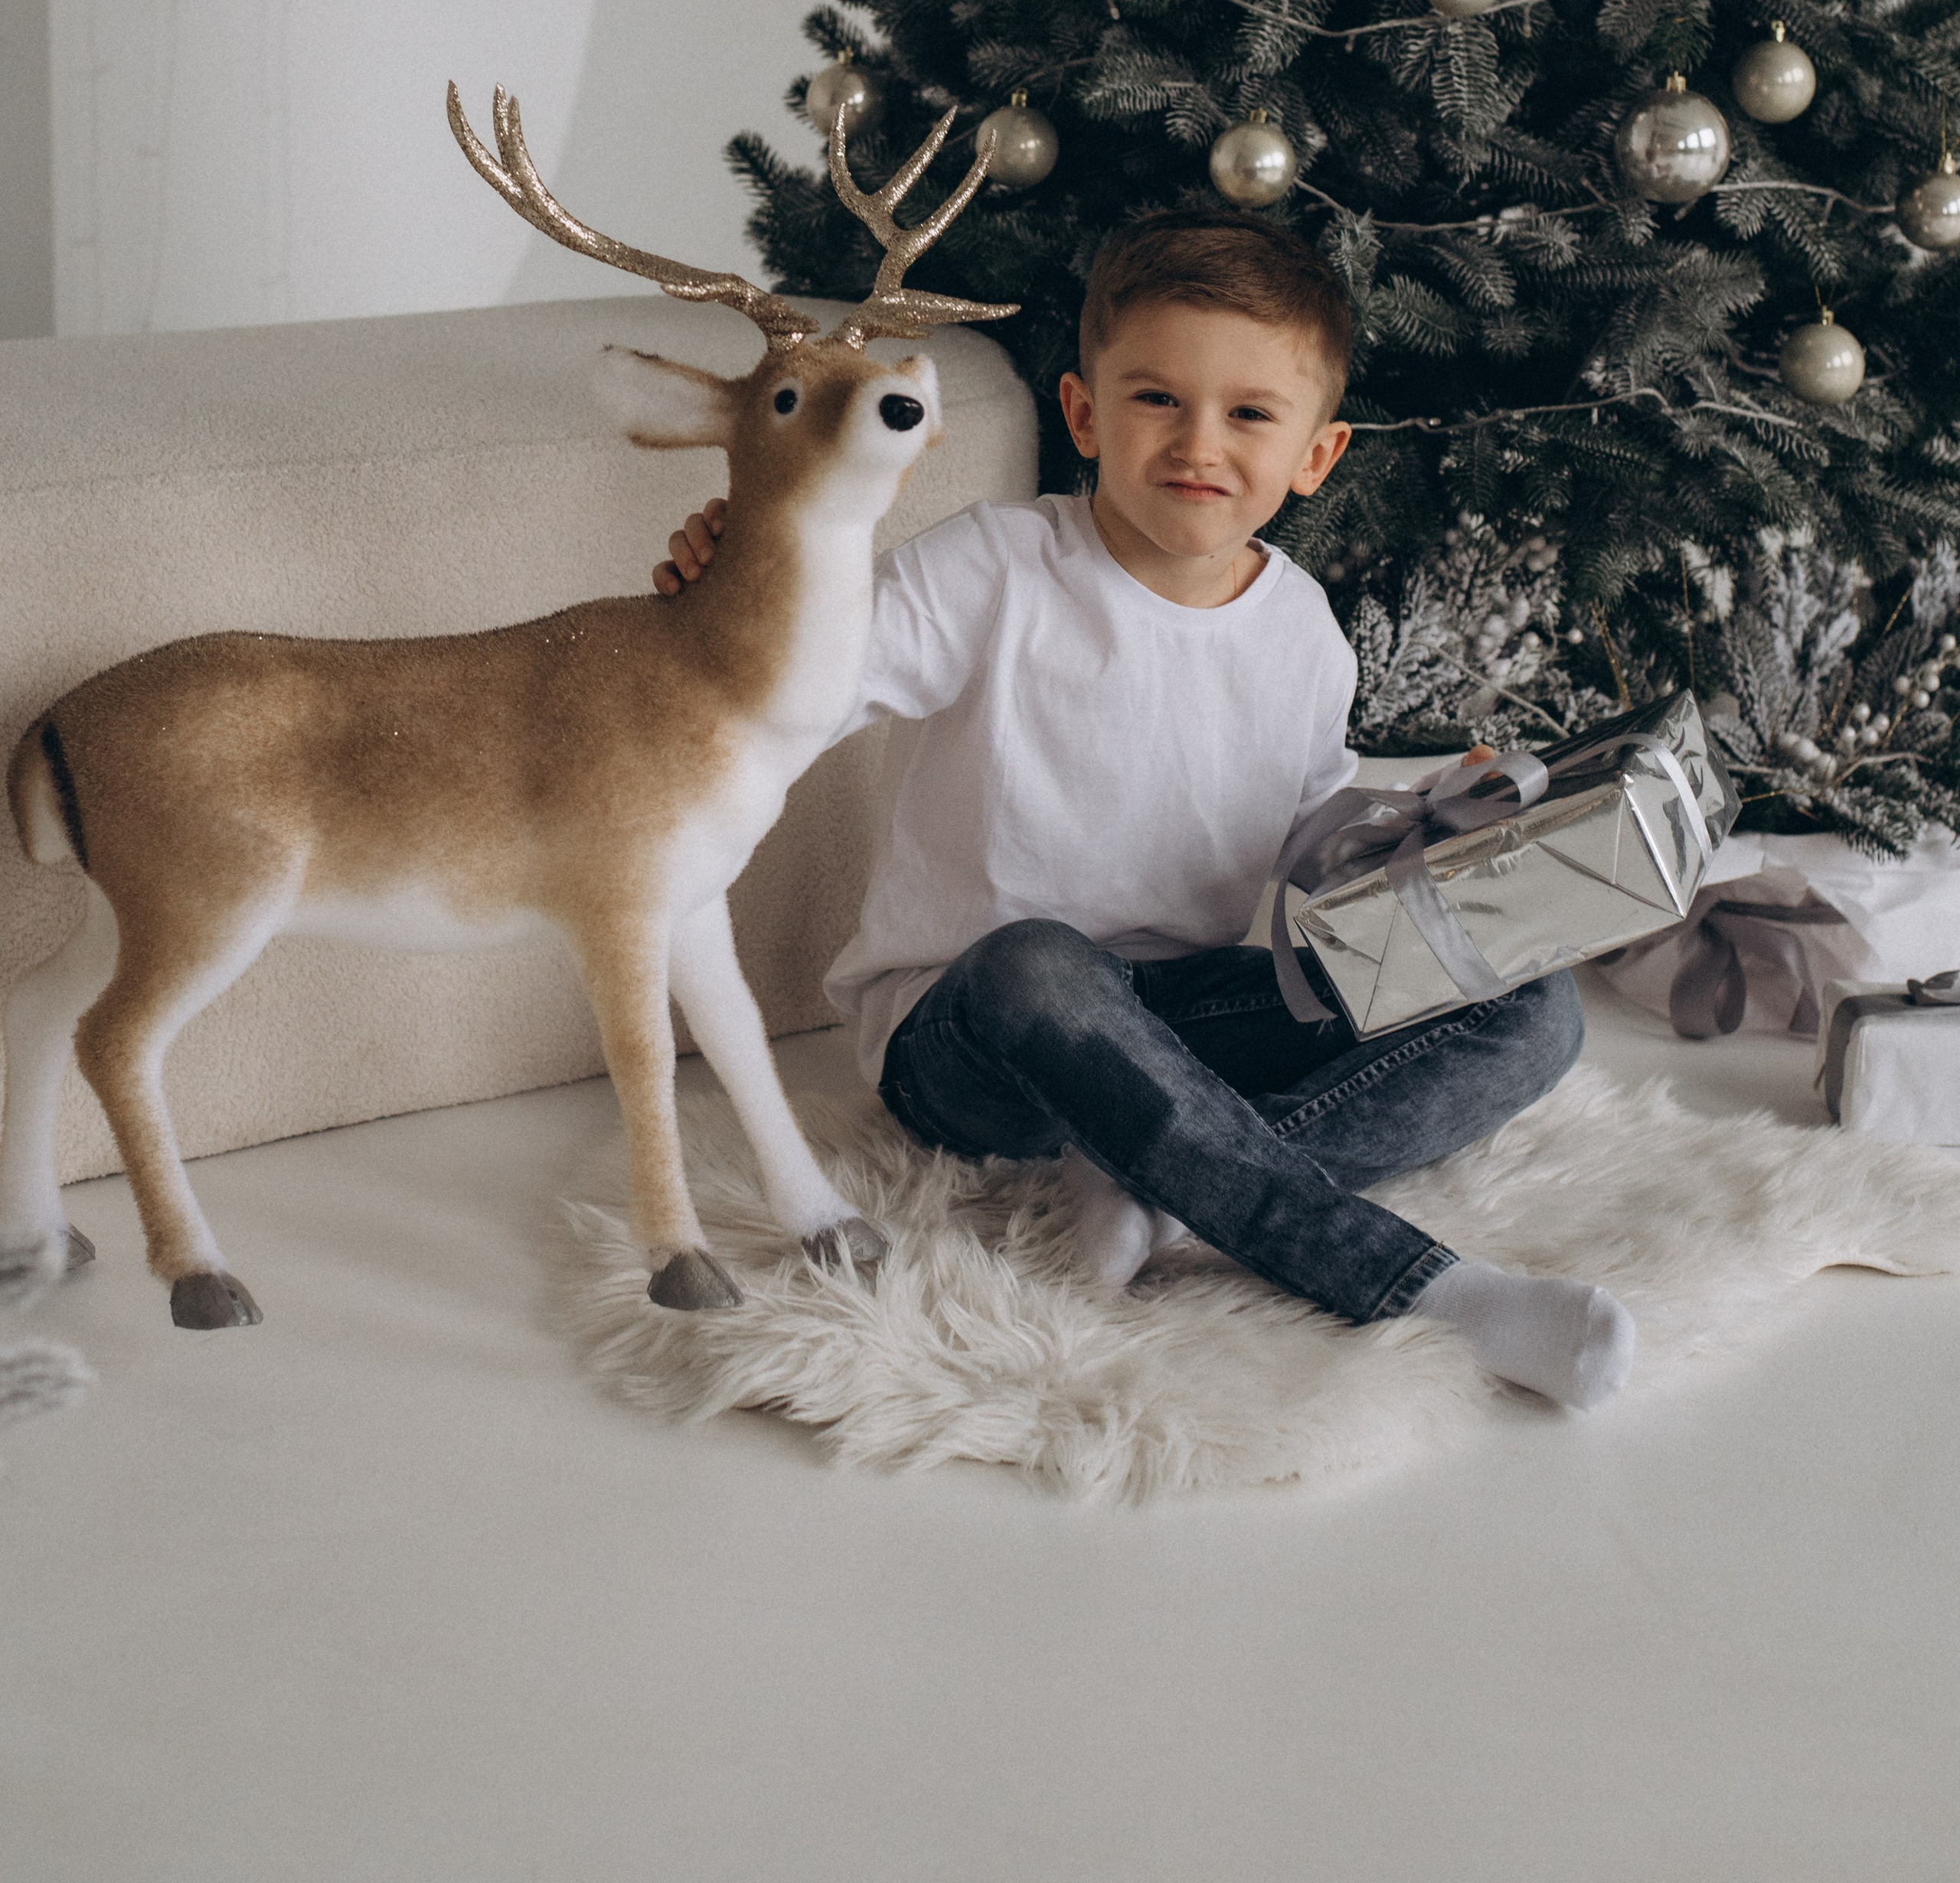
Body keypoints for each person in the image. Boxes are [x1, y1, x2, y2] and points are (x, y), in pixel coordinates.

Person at [654, 210, 1635, 1410]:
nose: (1199, 444)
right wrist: (751, 587)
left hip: (1188, 1015)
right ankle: (1423, 1287)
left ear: (1316, 454)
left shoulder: (1304, 629)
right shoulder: (995, 567)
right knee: (1039, 963)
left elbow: (1308, 828)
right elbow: (807, 682)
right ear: (1083, 415)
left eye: (1251, 415)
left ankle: (1165, 1186)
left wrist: (1433, 821)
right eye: (1157, 399)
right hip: (973, 1035)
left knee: (1534, 1006)